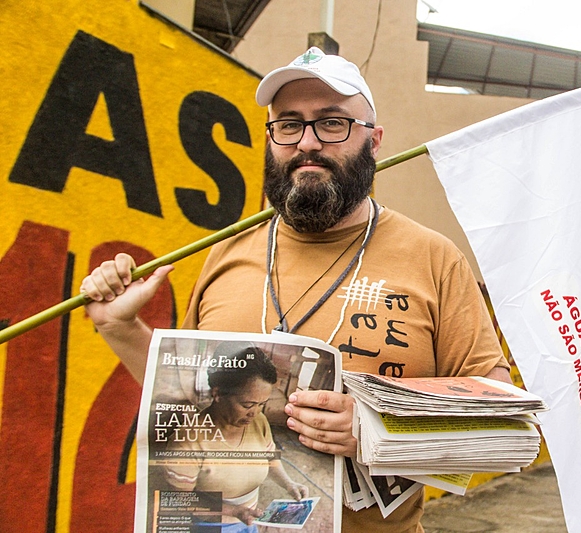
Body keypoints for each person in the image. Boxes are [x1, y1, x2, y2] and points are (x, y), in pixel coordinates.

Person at [81, 46, 511, 533]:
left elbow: (500, 420)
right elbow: (183, 408)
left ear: (374, 142)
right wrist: (120, 327)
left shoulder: (433, 258)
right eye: (288, 124)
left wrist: (378, 427)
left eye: (332, 123)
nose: (307, 143)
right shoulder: (227, 252)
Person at [160, 342, 308, 531]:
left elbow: (269, 458)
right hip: (211, 526)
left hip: (248, 521)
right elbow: (182, 501)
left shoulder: (259, 421)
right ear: (218, 394)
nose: (254, 413)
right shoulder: (188, 442)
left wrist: (289, 484)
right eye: (247, 405)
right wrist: (233, 511)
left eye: (261, 404)